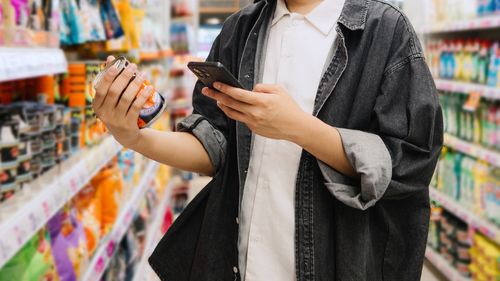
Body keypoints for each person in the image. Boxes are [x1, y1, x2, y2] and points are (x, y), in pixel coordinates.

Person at [93, 0, 443, 280]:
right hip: (245, 263)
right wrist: (133, 136)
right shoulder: (238, 31)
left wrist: (296, 127)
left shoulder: (386, 31)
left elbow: (410, 164)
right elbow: (213, 147)